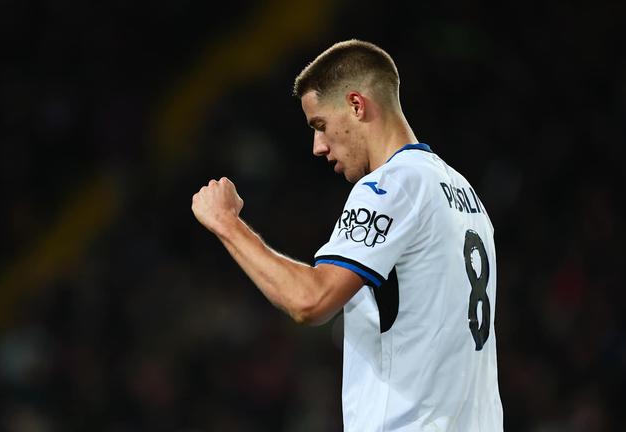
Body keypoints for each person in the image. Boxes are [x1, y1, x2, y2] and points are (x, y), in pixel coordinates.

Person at [191, 39, 503, 431]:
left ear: (356, 105)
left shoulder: (392, 185)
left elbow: (310, 300)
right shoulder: (464, 193)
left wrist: (226, 223)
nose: (318, 146)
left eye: (320, 125)